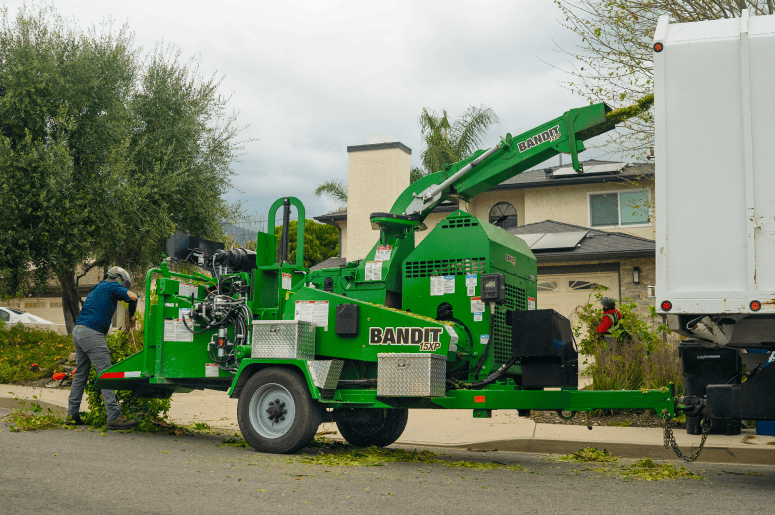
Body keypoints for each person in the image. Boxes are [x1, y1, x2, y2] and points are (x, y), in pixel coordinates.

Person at [66, 267, 138, 429]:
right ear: (119, 279)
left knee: (80, 375)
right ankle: (114, 417)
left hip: (79, 331)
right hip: (92, 333)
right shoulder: (111, 286)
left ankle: (72, 415)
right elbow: (133, 297)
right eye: (124, 284)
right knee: (106, 374)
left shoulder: (98, 288)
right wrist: (131, 317)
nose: (123, 287)